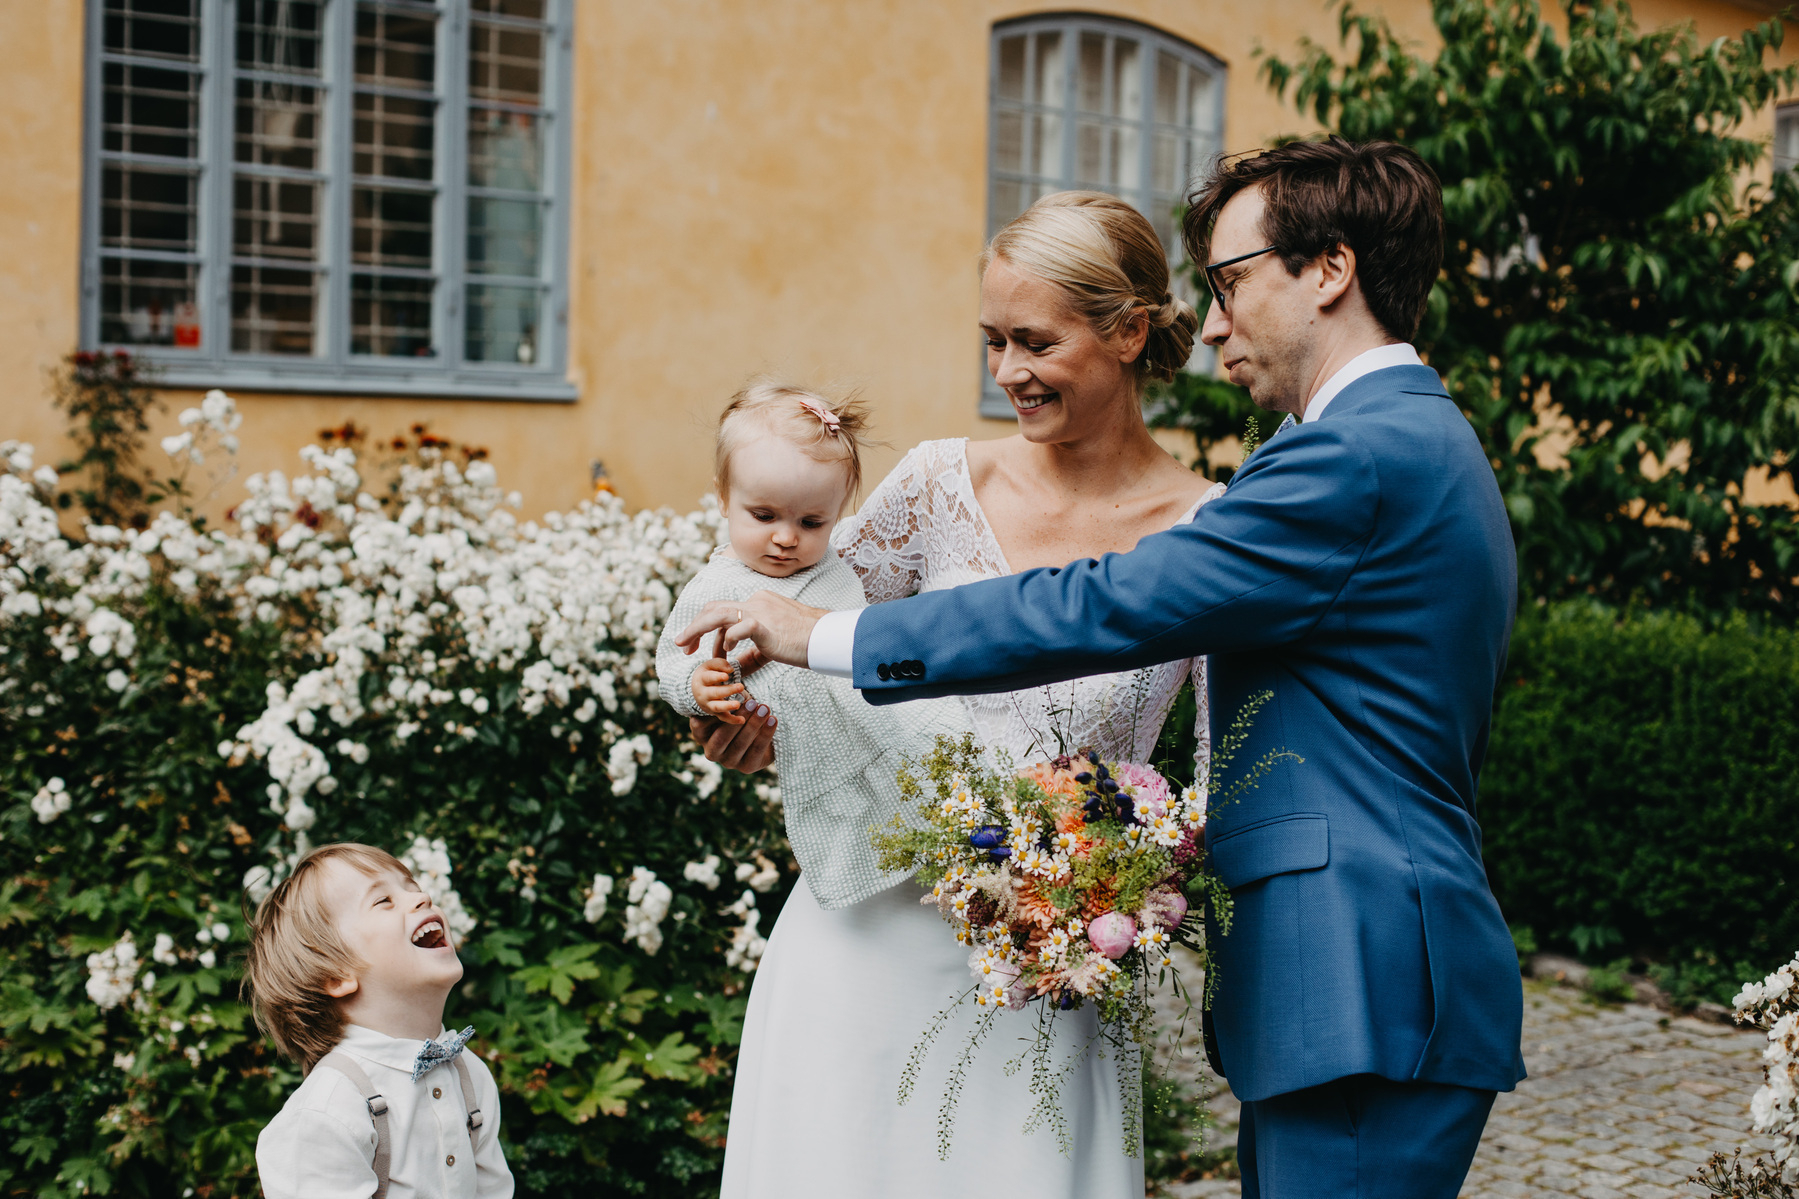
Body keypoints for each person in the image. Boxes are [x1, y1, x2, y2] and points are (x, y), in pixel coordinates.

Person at [678, 138, 1528, 1199]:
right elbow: (772, 602)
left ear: (1328, 269)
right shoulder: (1375, 443)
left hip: (1333, 974)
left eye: (1228, 282)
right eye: (991, 338)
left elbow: (1110, 604)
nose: (1211, 320)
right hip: (916, 936)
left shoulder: (1348, 455)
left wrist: (1118, 872)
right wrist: (745, 699)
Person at [677, 192, 1224, 1197]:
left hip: (1042, 963)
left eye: (1033, 340)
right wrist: (742, 713)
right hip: (861, 938)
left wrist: (1151, 884)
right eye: (990, 341)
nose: (1007, 371)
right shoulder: (934, 486)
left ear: (1129, 331)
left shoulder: (1208, 531)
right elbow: (793, 622)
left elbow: (1215, 774)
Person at [245, 843, 513, 1199]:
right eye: (383, 901)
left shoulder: (470, 1075)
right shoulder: (326, 1114)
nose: (423, 898)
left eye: (413, 887)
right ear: (337, 975)